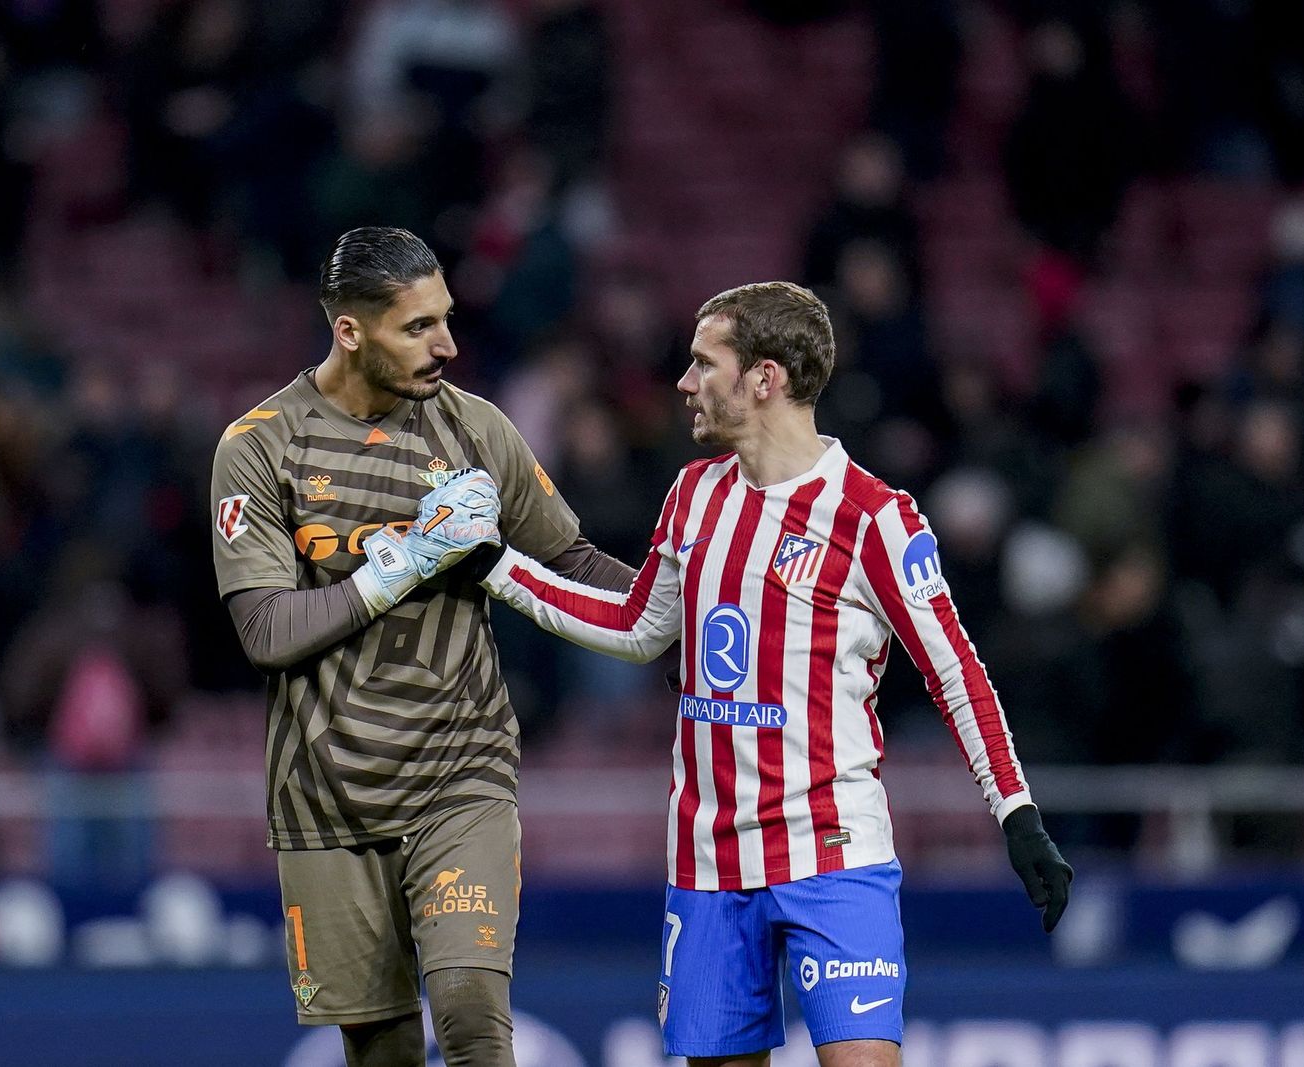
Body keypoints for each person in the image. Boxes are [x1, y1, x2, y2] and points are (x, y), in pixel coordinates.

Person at [474, 281, 1072, 1066]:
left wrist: (1016, 813)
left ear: (765, 377)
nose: (684, 383)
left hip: (833, 853)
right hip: (709, 861)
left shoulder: (873, 517)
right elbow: (637, 628)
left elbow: (955, 671)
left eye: (702, 363)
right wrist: (493, 563)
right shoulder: (693, 495)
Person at [209, 226, 632, 1067]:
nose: (448, 344)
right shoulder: (259, 448)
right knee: (383, 1049)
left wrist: (700, 596)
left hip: (460, 772)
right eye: (418, 327)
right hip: (325, 796)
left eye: (446, 318)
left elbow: (574, 562)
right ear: (350, 331)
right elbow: (263, 631)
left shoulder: (476, 429)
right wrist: (400, 567)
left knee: (473, 1009)